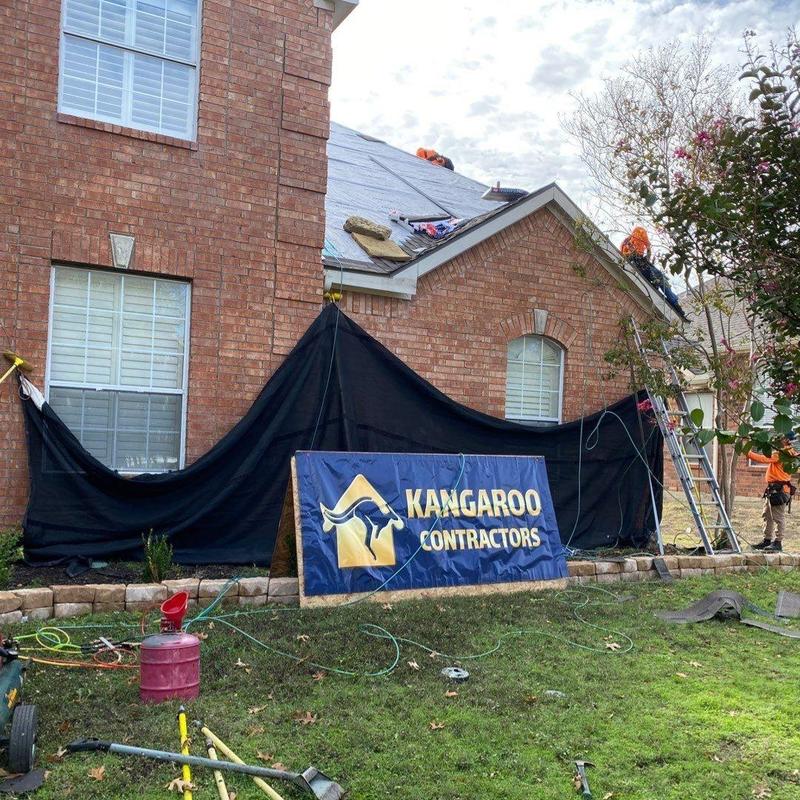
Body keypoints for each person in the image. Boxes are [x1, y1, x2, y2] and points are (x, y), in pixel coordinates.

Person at [620, 226, 688, 320]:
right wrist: (645, 249)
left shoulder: (637, 254)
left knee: (663, 282)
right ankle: (674, 303)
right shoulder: (631, 252)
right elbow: (632, 259)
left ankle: (675, 304)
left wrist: (648, 248)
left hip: (649, 271)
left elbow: (646, 258)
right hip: (646, 272)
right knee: (661, 280)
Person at [750, 434, 797, 552]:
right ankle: (767, 540)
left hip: (779, 490)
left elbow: (763, 459)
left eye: (781, 437)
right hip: (773, 489)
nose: (778, 439)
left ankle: (778, 543)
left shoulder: (783, 453)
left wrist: (747, 452)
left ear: (786, 439)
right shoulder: (786, 451)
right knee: (767, 515)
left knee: (778, 517)